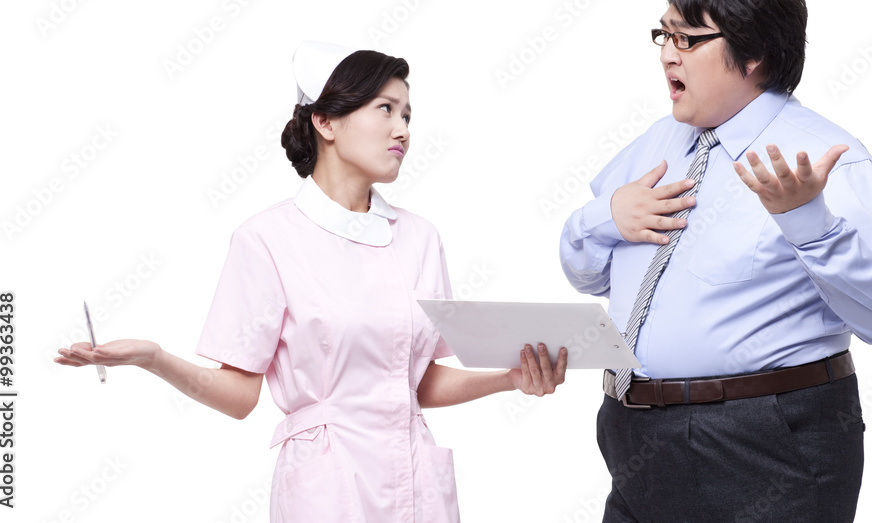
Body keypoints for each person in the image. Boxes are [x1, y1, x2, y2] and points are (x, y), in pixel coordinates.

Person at [57, 41, 568, 522]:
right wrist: (152, 357)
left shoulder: (420, 238)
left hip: (417, 481)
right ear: (325, 121)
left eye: (408, 115)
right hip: (326, 485)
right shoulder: (267, 240)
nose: (403, 130)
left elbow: (416, 382)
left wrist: (509, 379)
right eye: (386, 109)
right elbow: (239, 396)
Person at [560, 0, 872, 522]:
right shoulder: (654, 144)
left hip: (764, 444)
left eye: (687, 38)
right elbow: (586, 275)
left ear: (753, 53)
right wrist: (607, 216)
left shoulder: (825, 159)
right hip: (635, 441)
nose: (667, 54)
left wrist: (810, 225)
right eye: (663, 35)